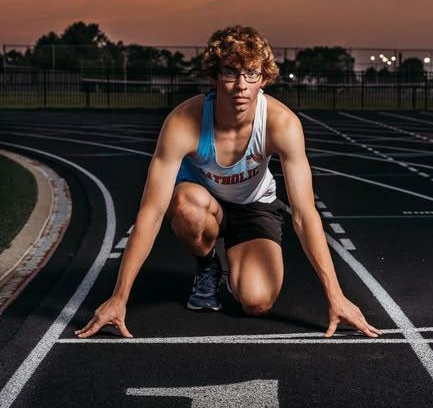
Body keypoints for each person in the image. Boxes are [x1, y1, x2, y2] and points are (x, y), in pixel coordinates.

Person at [76, 25, 381, 340]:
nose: (241, 85)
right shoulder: (184, 123)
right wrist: (119, 297)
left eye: (251, 74)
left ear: (264, 79)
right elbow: (151, 213)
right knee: (185, 206)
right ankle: (208, 262)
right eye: (231, 73)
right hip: (204, 203)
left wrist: (336, 295)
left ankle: (236, 259)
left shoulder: (282, 124)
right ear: (214, 75)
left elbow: (304, 214)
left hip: (254, 206)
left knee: (257, 302)